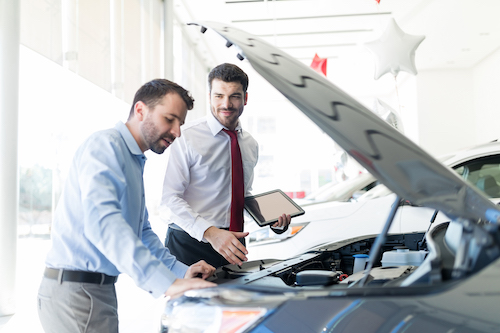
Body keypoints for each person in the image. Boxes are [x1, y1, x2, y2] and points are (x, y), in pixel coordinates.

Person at [37, 79, 216, 333]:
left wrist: (180, 272)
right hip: (76, 293)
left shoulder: (132, 160)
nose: (177, 132)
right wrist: (165, 284)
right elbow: (104, 222)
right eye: (170, 119)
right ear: (140, 110)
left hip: (95, 291)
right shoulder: (106, 147)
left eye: (181, 124)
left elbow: (142, 233)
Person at [161, 63, 291, 268]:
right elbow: (169, 199)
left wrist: (272, 220)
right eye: (219, 96)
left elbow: (242, 193)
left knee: (234, 300)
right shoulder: (185, 137)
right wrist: (210, 233)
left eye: (234, 96)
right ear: (210, 96)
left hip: (233, 243)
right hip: (189, 243)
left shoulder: (250, 144)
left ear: (245, 98)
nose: (226, 104)